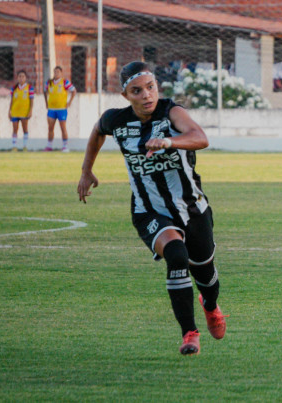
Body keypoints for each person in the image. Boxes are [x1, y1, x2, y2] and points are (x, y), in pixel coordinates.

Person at [77, 61, 226, 355]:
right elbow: (97, 131)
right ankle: (189, 334)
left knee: (205, 273)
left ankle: (210, 306)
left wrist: (169, 141)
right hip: (149, 210)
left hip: (192, 208)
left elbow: (201, 138)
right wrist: (86, 171)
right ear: (125, 95)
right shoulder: (116, 120)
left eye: (150, 87)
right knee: (176, 254)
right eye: (137, 91)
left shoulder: (171, 112)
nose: (146, 95)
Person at [43, 66, 77, 152]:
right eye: (55, 72)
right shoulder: (49, 83)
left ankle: (65, 146)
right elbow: (44, 91)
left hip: (62, 109)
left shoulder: (65, 82)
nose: (56, 73)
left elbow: (74, 91)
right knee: (50, 127)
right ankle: (49, 146)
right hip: (51, 109)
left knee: (63, 127)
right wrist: (46, 103)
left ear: (61, 73)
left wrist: (69, 102)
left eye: (58, 72)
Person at [9, 70, 34, 151]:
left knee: (25, 129)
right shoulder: (14, 88)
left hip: (24, 111)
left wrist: (30, 111)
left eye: (23, 76)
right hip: (15, 111)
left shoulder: (29, 88)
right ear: (17, 78)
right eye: (19, 76)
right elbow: (12, 100)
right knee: (15, 129)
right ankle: (14, 146)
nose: (21, 78)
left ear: (25, 78)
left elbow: (31, 101)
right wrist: (9, 110)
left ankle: (25, 146)